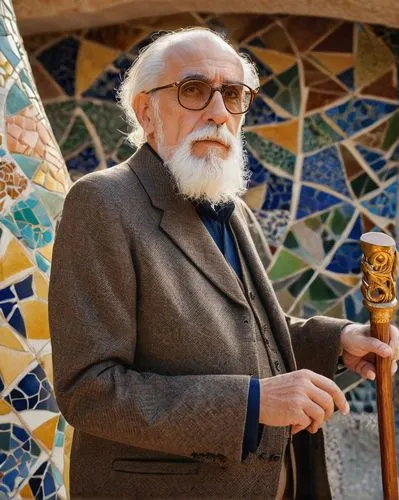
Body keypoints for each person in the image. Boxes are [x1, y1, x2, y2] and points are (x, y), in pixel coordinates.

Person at [49, 27, 398, 499]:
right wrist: (253, 403)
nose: (217, 111)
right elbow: (89, 390)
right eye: (193, 90)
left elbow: (248, 335)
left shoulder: (232, 208)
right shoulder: (101, 202)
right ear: (146, 112)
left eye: (232, 94)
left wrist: (336, 342)